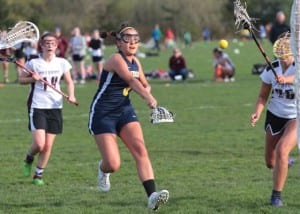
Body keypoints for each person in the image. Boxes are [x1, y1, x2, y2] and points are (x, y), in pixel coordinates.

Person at [88, 23, 169, 211]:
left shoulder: (136, 62)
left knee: (141, 150)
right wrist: (147, 96)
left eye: (135, 39)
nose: (132, 42)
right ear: (118, 43)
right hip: (103, 114)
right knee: (113, 164)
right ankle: (103, 169)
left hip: (124, 111)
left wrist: (147, 90)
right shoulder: (116, 59)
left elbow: (143, 82)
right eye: (127, 39)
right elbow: (131, 80)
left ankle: (152, 196)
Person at [20, 32, 77, 185]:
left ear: (57, 45)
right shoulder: (33, 63)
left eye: (53, 43)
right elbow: (21, 79)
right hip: (38, 105)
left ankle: (38, 175)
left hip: (55, 106)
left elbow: (69, 82)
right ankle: (28, 158)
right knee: (39, 144)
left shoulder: (62, 63)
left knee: (48, 145)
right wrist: (33, 78)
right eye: (47, 42)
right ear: (42, 45)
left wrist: (71, 95)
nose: (50, 45)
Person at [250, 32, 296, 207]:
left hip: (295, 116)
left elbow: (297, 79)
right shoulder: (271, 69)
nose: (284, 56)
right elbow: (263, 96)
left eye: (287, 52)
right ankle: (284, 162)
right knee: (270, 162)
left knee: (282, 150)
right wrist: (257, 113)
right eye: (281, 52)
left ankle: (276, 196)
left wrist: (287, 80)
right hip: (274, 115)